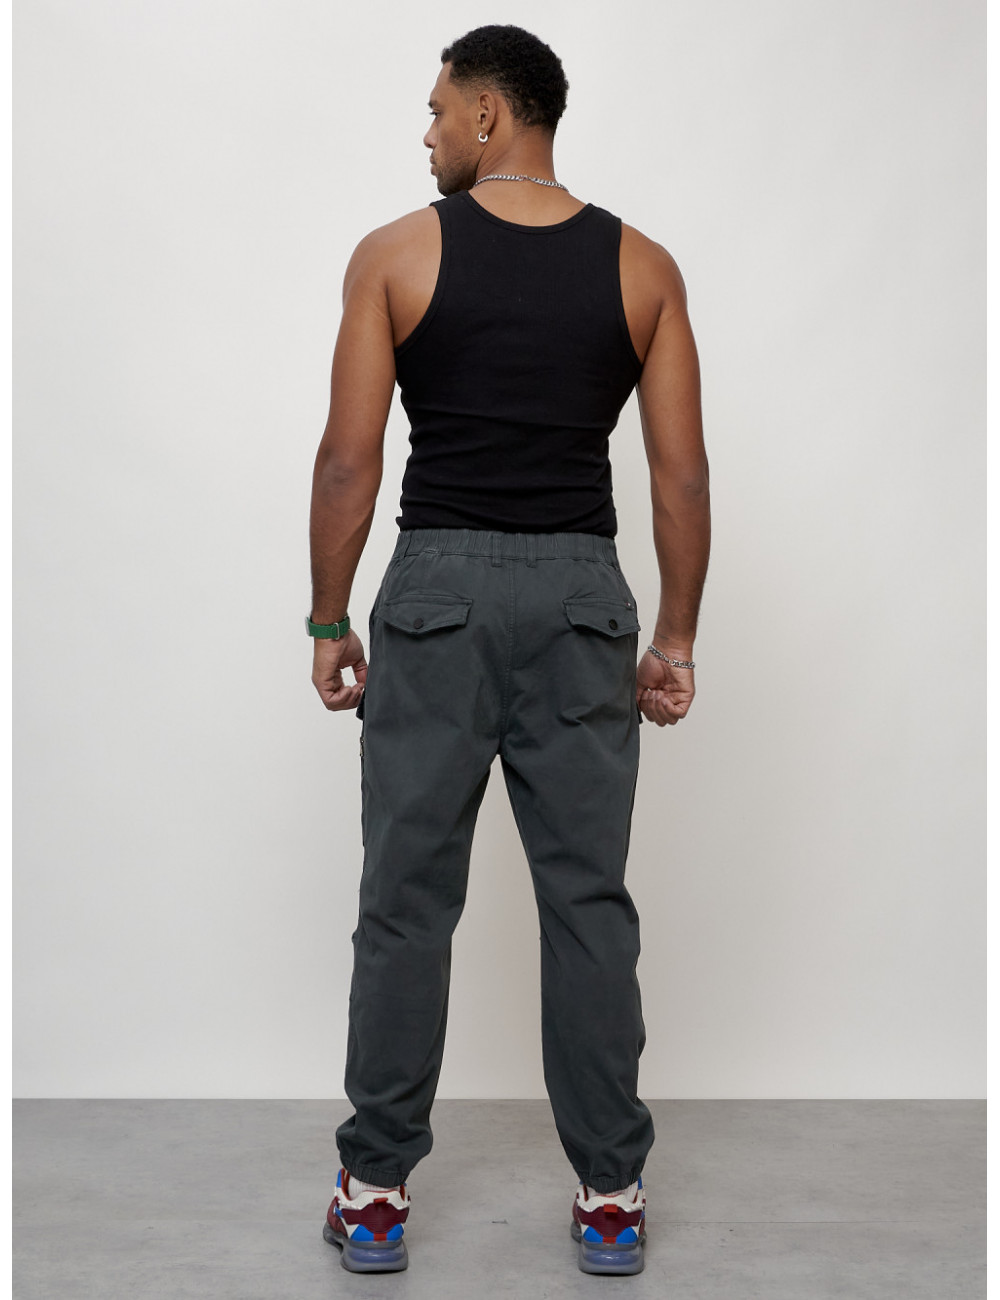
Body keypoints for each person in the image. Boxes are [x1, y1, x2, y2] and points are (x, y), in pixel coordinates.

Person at [307, 24, 710, 1277]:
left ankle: (375, 1192)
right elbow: (680, 476)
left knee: (404, 898)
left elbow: (349, 463)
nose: (426, 132)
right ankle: (611, 1196)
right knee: (588, 902)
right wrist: (675, 634)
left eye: (438, 110)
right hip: (584, 597)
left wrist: (327, 618)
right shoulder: (643, 267)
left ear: (489, 114)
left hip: (435, 594)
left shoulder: (395, 254)